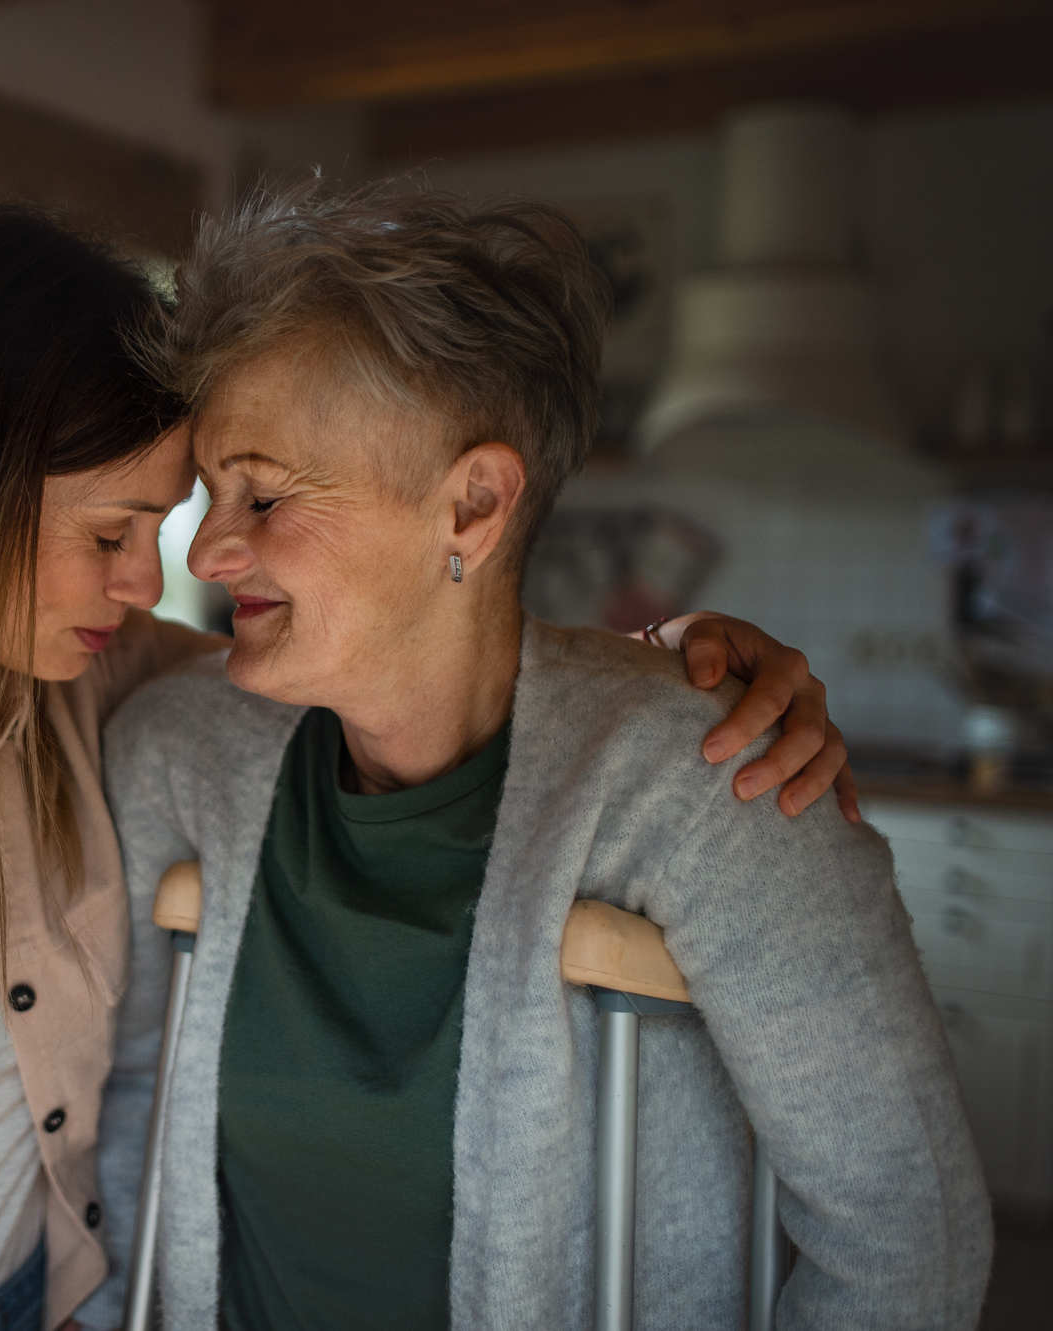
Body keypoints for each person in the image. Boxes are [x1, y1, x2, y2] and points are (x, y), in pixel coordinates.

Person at [0, 203, 856, 1331]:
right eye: (114, 529)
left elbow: (397, 655)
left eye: (160, 525)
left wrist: (655, 667)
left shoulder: (91, 675)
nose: (150, 577)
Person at [97, 185, 991, 1330]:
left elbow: (904, 1238)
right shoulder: (173, 753)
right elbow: (119, 1120)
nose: (212, 546)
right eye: (211, 494)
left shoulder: (718, 778)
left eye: (264, 494)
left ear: (471, 506)